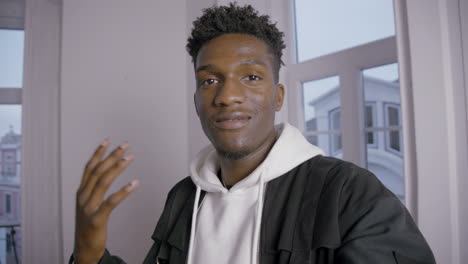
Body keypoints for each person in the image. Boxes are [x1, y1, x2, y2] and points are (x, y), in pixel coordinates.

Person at [71, 3, 435, 264]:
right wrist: (89, 250)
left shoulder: (349, 193)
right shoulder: (183, 197)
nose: (227, 96)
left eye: (252, 77)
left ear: (277, 97)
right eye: (209, 80)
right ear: (197, 100)